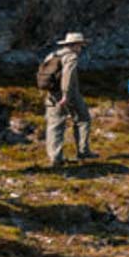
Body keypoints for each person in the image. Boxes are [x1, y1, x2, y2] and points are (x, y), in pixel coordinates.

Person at [44, 32, 94, 166]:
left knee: (54, 124)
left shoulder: (53, 55)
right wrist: (66, 94)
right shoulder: (71, 57)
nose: (82, 48)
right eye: (81, 45)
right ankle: (83, 150)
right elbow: (68, 76)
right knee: (83, 119)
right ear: (76, 45)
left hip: (51, 93)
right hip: (68, 94)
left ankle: (55, 157)